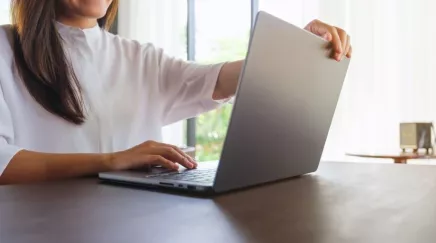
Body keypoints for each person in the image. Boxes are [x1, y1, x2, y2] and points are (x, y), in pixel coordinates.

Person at [0, 0, 352, 185]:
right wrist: (112, 161)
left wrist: (296, 48)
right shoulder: (4, 49)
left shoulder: (137, 57)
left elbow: (216, 79)